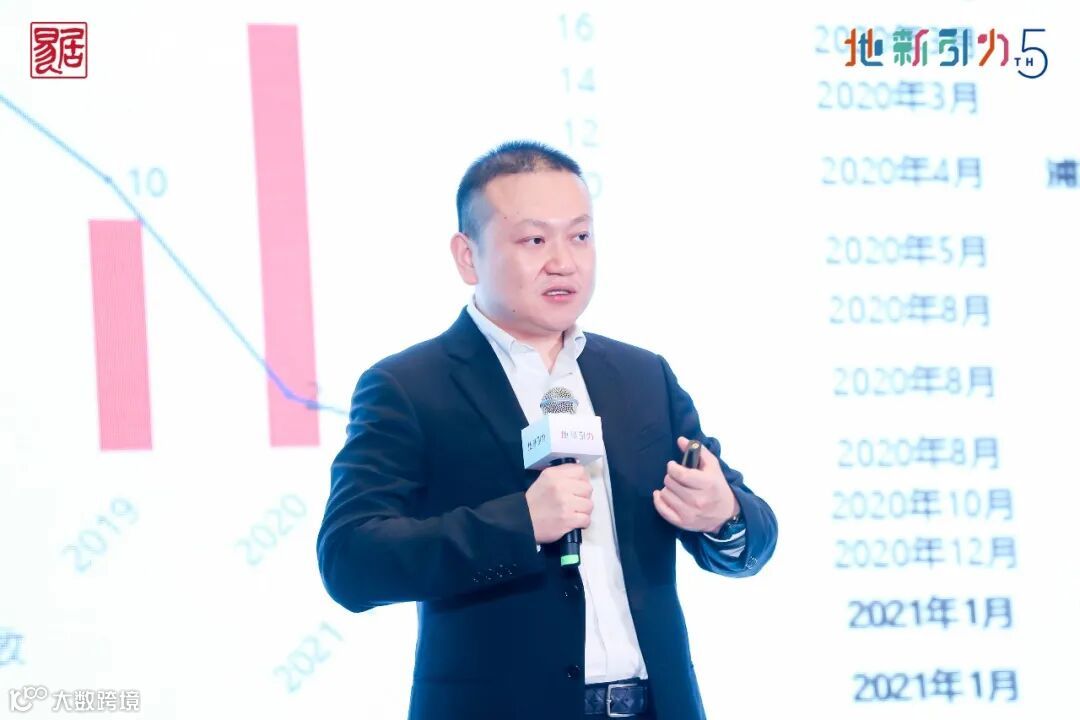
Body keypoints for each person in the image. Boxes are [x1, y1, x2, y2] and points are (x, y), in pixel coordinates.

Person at [316, 140, 778, 719]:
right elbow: (350, 561)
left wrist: (722, 513)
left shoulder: (642, 377)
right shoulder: (409, 386)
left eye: (580, 236)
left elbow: (752, 541)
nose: (564, 261)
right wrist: (521, 523)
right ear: (467, 256)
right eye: (534, 240)